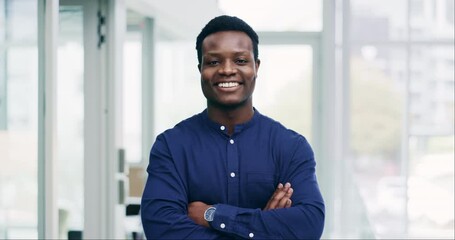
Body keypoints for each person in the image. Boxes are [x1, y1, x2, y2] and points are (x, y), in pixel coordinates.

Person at [141, 15, 325, 239]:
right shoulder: (171, 146)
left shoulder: (291, 147)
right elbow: (161, 230)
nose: (227, 70)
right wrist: (263, 228)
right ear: (200, 69)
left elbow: (308, 225)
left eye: (240, 60)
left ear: (256, 67)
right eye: (213, 62)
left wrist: (213, 215)